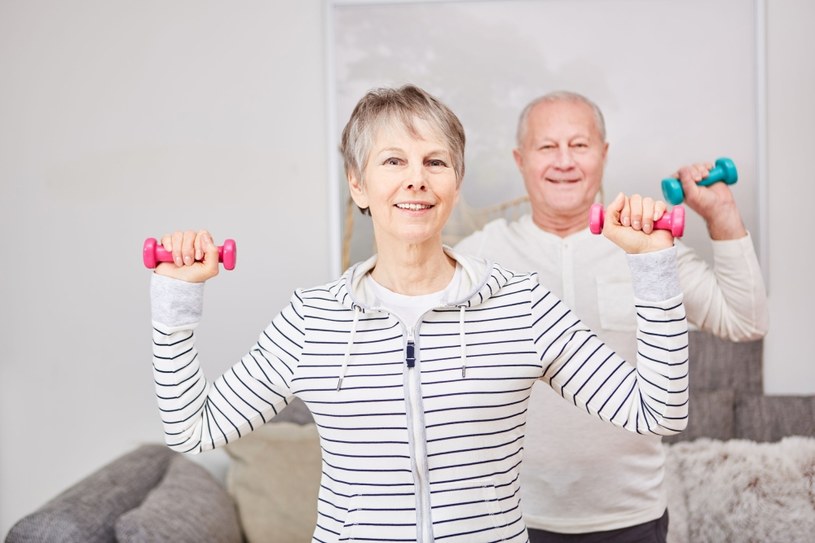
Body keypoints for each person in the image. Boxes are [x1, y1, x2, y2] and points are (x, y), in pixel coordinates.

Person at [149, 84, 690, 543]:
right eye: (392, 161)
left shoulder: (523, 305)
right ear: (358, 185)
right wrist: (175, 301)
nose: (416, 179)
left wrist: (653, 264)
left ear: (454, 184)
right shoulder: (311, 320)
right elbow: (193, 429)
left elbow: (659, 412)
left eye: (435, 162)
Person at [455, 90, 769, 542]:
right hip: (509, 520)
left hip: (630, 519)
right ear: (520, 159)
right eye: (547, 147)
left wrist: (721, 213)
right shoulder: (479, 257)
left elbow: (746, 321)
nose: (564, 161)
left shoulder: (648, 248)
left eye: (579, 145)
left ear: (603, 154)